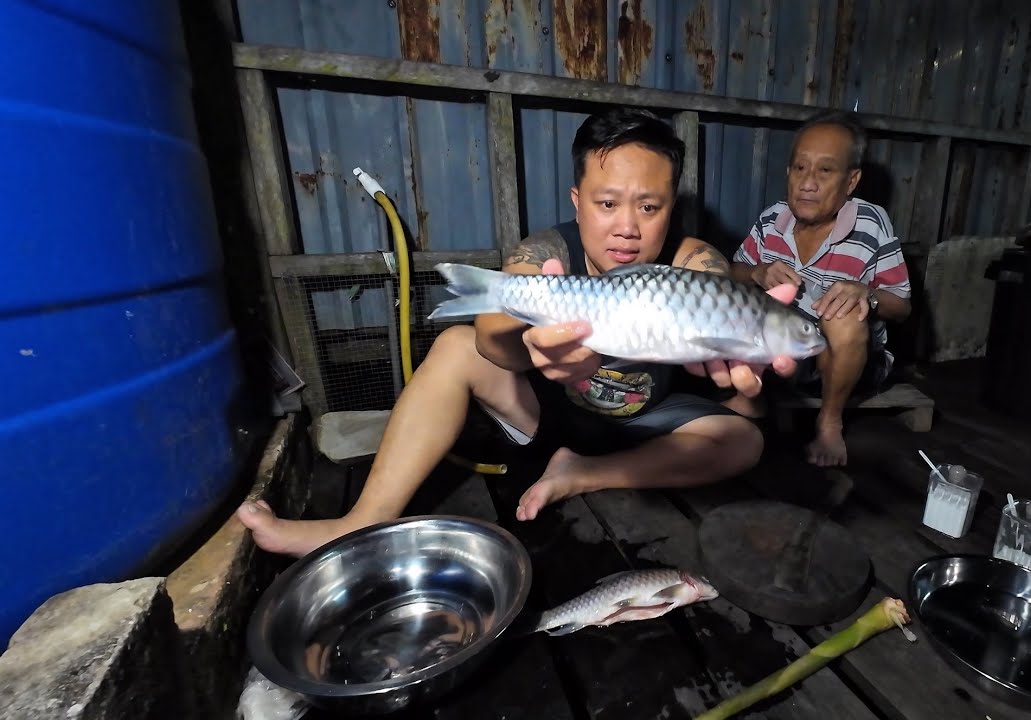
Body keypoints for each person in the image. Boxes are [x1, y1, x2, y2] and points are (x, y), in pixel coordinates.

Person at [237, 107, 798, 557]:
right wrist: (527, 345)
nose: (627, 226)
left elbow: (717, 290)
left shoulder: (692, 260)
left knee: (745, 439)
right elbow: (489, 330)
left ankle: (585, 474)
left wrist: (750, 341)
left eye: (649, 206)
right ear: (578, 203)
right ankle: (361, 521)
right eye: (607, 204)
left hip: (646, 422)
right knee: (456, 345)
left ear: (670, 207)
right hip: (550, 411)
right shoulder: (544, 253)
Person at [726, 110, 912, 467]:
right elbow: (731, 271)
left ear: (851, 180)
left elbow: (902, 306)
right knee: (739, 307)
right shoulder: (770, 221)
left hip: (850, 364)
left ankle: (829, 423)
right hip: (788, 358)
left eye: (825, 171)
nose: (808, 183)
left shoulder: (871, 225)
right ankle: (751, 399)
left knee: (843, 315)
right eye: (800, 168)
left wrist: (867, 294)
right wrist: (757, 273)